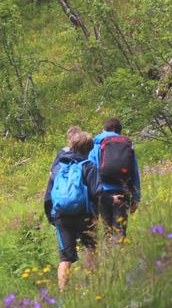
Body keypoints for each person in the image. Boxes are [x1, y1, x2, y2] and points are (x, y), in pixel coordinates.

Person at [43, 132, 99, 291]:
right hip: (85, 215)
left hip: (61, 216)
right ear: (89, 149)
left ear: (72, 146)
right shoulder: (88, 166)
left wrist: (52, 218)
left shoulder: (58, 167)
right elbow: (97, 194)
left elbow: (48, 196)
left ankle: (62, 293)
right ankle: (90, 286)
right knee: (91, 247)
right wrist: (98, 215)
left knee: (65, 257)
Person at [89, 118, 141, 242]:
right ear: (119, 131)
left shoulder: (96, 143)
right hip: (122, 191)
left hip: (103, 192)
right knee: (120, 230)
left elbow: (91, 169)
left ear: (105, 128)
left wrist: (92, 195)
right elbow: (135, 172)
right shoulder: (127, 144)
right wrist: (136, 198)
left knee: (108, 230)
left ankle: (110, 258)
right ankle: (120, 257)